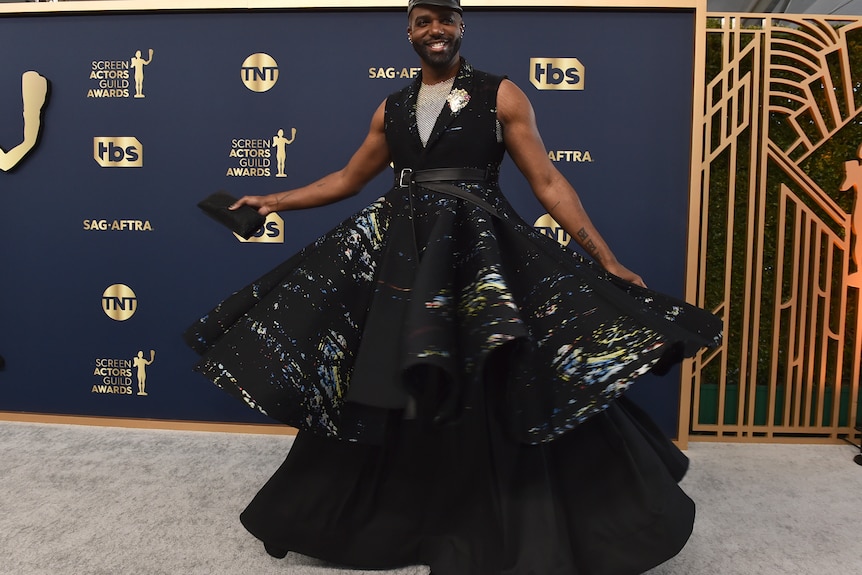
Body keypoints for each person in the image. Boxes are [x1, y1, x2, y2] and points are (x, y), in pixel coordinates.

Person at [184, 1, 723, 573]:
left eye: (445, 19)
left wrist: (606, 258)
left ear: (462, 27)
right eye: (423, 21)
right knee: (384, 377)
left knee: (495, 373)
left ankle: (520, 520)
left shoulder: (502, 94)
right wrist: (272, 200)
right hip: (404, 254)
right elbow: (347, 179)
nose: (435, 30)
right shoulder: (390, 109)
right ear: (409, 33)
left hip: (477, 249)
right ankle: (343, 518)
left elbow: (547, 180)